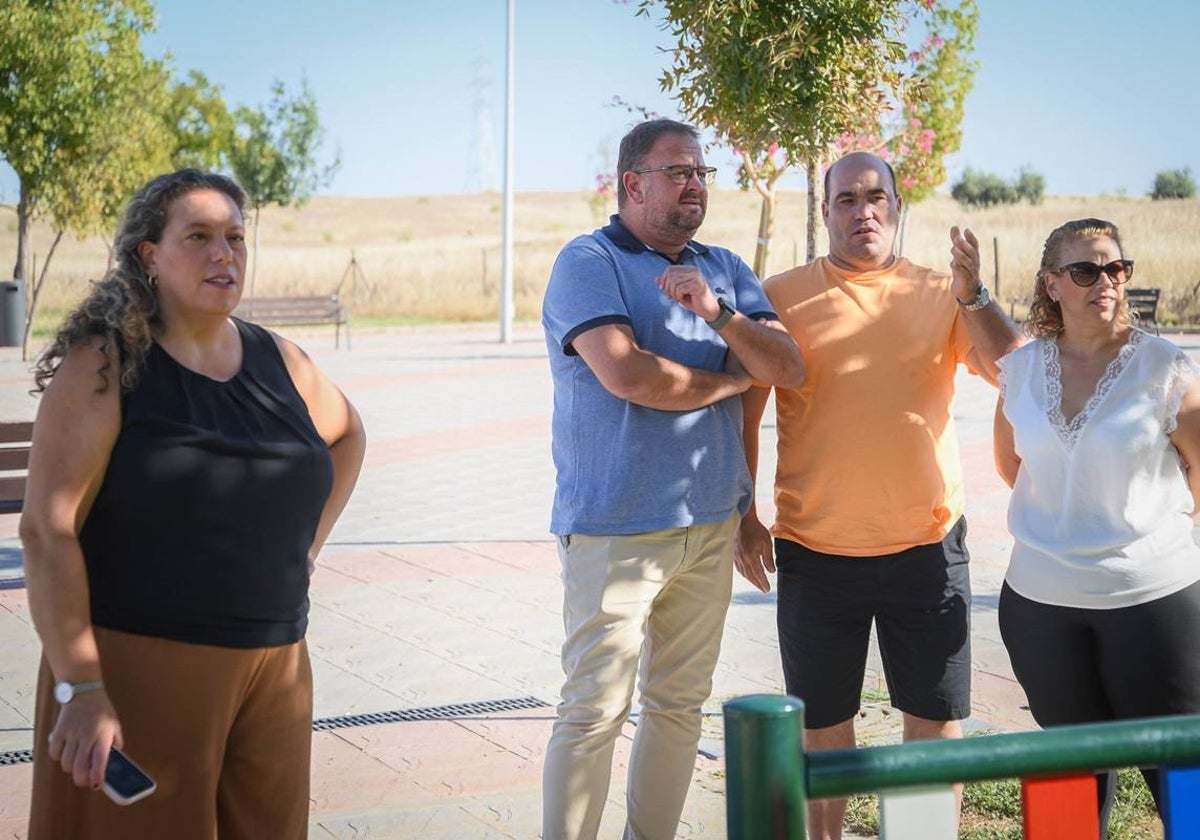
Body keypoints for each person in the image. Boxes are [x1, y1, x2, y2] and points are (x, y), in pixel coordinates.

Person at [20, 169, 366, 839]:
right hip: (140, 665)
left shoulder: (281, 361)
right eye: (199, 236)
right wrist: (81, 688)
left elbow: (348, 435)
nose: (223, 254)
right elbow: (46, 531)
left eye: (236, 237)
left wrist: (306, 547)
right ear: (149, 255)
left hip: (276, 667)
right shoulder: (106, 365)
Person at [735, 150, 1023, 839]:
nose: (862, 210)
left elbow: (1015, 369)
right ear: (825, 209)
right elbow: (743, 413)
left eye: (876, 197)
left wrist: (973, 292)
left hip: (927, 547)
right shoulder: (778, 295)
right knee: (822, 727)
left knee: (933, 720)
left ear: (897, 206)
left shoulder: (940, 290)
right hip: (816, 549)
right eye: (846, 199)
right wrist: (744, 515)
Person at [540, 118, 804, 840]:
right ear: (632, 184)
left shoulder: (725, 269)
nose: (695, 184)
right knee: (594, 710)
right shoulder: (589, 262)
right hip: (614, 527)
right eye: (678, 171)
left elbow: (787, 368)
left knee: (679, 706)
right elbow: (629, 374)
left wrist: (719, 313)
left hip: (711, 524)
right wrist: (725, 381)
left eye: (702, 173)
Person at [994, 218, 1200, 832]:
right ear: (1052, 284)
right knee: (1067, 779)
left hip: (1154, 599)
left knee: (1182, 774)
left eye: (1116, 268)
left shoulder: (1165, 368)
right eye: (1085, 270)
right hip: (1040, 605)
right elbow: (1012, 467)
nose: (1104, 281)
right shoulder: (1021, 371)